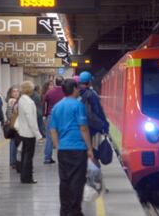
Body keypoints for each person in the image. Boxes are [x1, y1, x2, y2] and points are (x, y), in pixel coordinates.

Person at [49, 79, 94, 216]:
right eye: (77, 88)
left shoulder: (56, 107)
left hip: (63, 149)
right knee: (77, 180)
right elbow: (83, 128)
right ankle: (75, 211)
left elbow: (52, 129)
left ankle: (64, 210)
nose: (79, 90)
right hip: (78, 148)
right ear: (74, 89)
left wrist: (57, 146)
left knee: (65, 180)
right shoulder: (78, 105)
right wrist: (90, 148)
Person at [14, 81, 43, 184]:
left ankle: (24, 176)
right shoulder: (29, 102)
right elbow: (31, 119)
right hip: (29, 133)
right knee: (28, 156)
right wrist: (38, 134)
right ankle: (27, 178)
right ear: (30, 90)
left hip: (23, 131)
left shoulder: (21, 100)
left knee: (24, 155)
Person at [78, 71, 109, 151]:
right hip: (89, 128)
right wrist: (103, 124)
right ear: (89, 82)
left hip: (77, 127)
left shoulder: (76, 93)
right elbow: (97, 111)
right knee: (90, 151)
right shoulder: (91, 94)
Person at [43, 76, 65, 164]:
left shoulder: (49, 92)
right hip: (63, 116)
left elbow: (44, 103)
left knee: (49, 138)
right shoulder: (65, 92)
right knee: (62, 137)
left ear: (55, 82)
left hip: (51, 115)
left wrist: (45, 115)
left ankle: (47, 158)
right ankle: (62, 159)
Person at [5, 86, 20, 169]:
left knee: (13, 142)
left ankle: (13, 161)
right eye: (14, 91)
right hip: (14, 124)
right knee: (14, 143)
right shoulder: (12, 101)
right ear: (11, 93)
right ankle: (13, 161)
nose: (16, 93)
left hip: (13, 123)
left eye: (17, 91)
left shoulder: (12, 101)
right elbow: (10, 114)